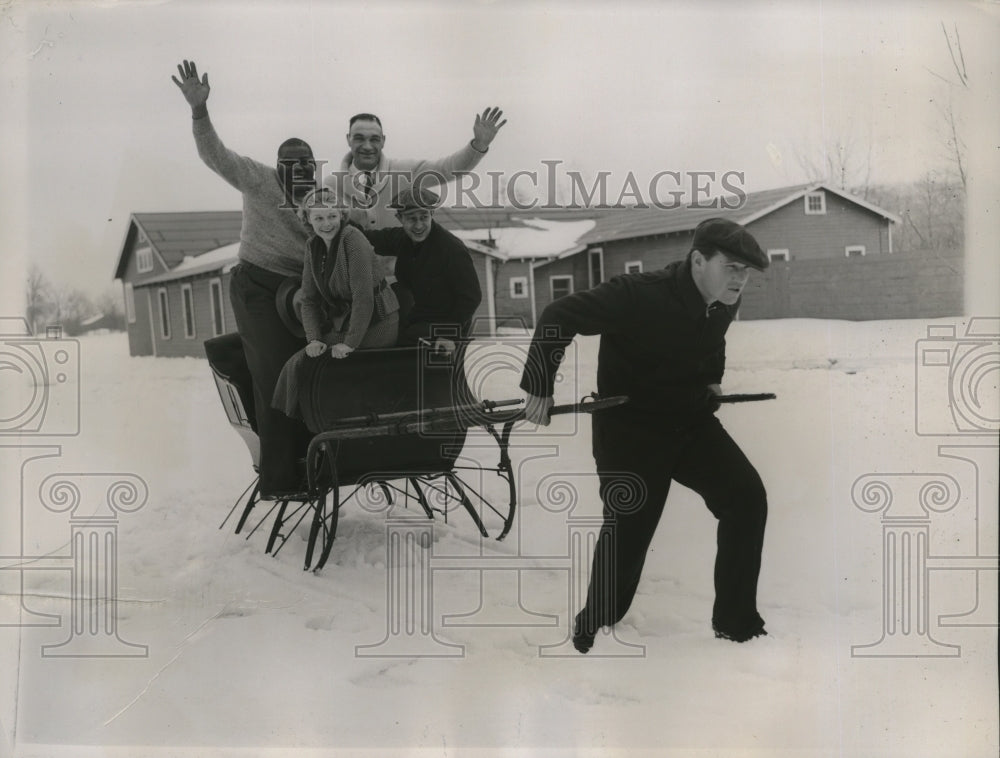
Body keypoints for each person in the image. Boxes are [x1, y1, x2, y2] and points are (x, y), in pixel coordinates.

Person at [520, 217, 771, 653]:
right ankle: (594, 626)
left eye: (745, 271)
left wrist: (711, 379)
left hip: (689, 423)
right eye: (731, 267)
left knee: (746, 498)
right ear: (698, 261)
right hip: (629, 431)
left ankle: (737, 624)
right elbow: (559, 316)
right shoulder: (636, 294)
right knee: (629, 533)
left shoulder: (725, 298)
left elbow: (714, 338)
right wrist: (539, 384)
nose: (739, 279)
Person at [172, 59, 315, 499]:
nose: (298, 171)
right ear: (278, 166)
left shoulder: (321, 201)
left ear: (314, 167)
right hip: (256, 286)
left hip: (298, 294)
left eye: (305, 164)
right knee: (275, 376)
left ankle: (314, 462)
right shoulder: (258, 179)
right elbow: (216, 155)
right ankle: (280, 480)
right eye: (289, 164)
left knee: (311, 373)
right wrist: (199, 112)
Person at [272, 188, 399, 421]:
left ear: (341, 214)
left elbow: (363, 297)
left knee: (301, 362)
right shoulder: (313, 246)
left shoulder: (353, 239)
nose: (326, 224)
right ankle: (299, 424)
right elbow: (308, 300)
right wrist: (314, 338)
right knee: (305, 356)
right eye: (318, 218)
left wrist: (350, 344)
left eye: (331, 216)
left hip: (378, 320)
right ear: (308, 219)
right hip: (350, 320)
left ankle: (301, 420)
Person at [325, 109, 507, 231]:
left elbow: (446, 169)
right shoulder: (330, 186)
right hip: (352, 285)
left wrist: (478, 145)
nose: (367, 146)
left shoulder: (405, 171)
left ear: (383, 140)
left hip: (400, 282)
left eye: (374, 139)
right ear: (348, 139)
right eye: (359, 138)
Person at [361, 187, 482, 353]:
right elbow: (368, 239)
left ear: (432, 214)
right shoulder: (402, 239)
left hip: (446, 326)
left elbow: (471, 297)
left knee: (397, 347)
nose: (418, 225)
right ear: (399, 218)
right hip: (418, 319)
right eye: (411, 219)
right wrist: (339, 225)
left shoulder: (451, 249)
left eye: (424, 217)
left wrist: (448, 335)